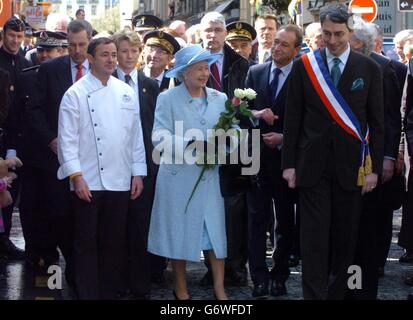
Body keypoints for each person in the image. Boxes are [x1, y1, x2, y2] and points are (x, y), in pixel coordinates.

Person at [281, 3, 384, 299]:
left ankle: (338, 294)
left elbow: (377, 123)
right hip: (312, 168)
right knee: (312, 242)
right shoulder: (305, 66)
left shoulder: (369, 69)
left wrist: (374, 169)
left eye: (338, 34)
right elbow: (293, 118)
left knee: (344, 241)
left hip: (351, 169)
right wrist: (289, 164)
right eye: (326, 34)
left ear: (351, 32)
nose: (332, 40)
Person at [57, 37, 147, 299]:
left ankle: (108, 293)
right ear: (91, 58)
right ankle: (86, 294)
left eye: (113, 54)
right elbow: (67, 140)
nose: (111, 60)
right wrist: (76, 177)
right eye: (105, 55)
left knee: (113, 244)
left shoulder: (126, 92)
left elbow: (135, 136)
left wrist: (138, 172)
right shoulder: (75, 93)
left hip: (120, 180)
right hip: (88, 182)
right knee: (86, 244)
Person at [147, 44, 228, 300]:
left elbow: (234, 132)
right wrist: (192, 144)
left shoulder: (220, 98)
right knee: (178, 235)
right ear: (183, 72)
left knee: (215, 237)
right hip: (178, 179)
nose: (204, 73)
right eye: (198, 69)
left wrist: (223, 146)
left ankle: (219, 288)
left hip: (209, 179)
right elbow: (159, 137)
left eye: (206, 68)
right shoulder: (167, 99)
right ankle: (181, 289)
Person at [28, 19, 93, 288]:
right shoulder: (50, 69)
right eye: (72, 45)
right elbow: (35, 110)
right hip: (55, 160)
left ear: (90, 41)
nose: (77, 50)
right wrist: (51, 139)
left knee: (86, 216)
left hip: (90, 159)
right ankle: (62, 268)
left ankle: (82, 272)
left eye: (82, 45)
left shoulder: (101, 69)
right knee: (60, 213)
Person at [245, 24, 302, 298]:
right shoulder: (255, 72)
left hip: (285, 160)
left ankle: (280, 274)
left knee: (284, 221)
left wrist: (283, 138)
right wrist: (256, 113)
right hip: (255, 158)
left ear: (296, 50)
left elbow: (308, 121)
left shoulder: (303, 77)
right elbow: (240, 110)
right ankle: (257, 276)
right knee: (256, 219)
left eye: (284, 45)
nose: (277, 48)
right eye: (275, 42)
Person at [348, 18, 401, 300]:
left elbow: (392, 119)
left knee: (369, 226)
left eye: (353, 45)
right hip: (343, 162)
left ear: (366, 46)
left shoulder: (384, 68)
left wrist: (389, 157)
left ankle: (363, 286)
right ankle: (345, 283)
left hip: (372, 160)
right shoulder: (336, 67)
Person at [199, 11, 250, 287]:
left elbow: (248, 108)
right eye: (208, 30)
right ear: (200, 33)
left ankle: (235, 266)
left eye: (218, 30)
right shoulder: (191, 63)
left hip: (235, 148)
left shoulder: (242, 65)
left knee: (234, 209)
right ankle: (212, 266)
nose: (213, 35)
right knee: (207, 208)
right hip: (201, 146)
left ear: (225, 34)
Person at [10, 31, 67, 267]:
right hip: (32, 154)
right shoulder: (26, 77)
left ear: (60, 51)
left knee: (57, 207)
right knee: (31, 207)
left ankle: (54, 251)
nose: (44, 55)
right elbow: (15, 117)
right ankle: (36, 252)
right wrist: (12, 151)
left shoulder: (69, 78)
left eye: (50, 50)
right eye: (41, 50)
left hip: (59, 155)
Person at [111, 30, 160, 298]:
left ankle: (141, 285)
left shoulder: (150, 85)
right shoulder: (106, 82)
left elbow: (152, 127)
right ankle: (117, 281)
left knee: (142, 225)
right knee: (117, 225)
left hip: (145, 167)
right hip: (115, 164)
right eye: (123, 51)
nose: (128, 57)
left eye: (133, 51)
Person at [0, 16, 31, 260]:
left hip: (18, 137)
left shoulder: (25, 62)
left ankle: (5, 239)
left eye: (19, 37)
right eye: (12, 35)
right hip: (1, 134)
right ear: (4, 35)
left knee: (11, 193)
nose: (15, 41)